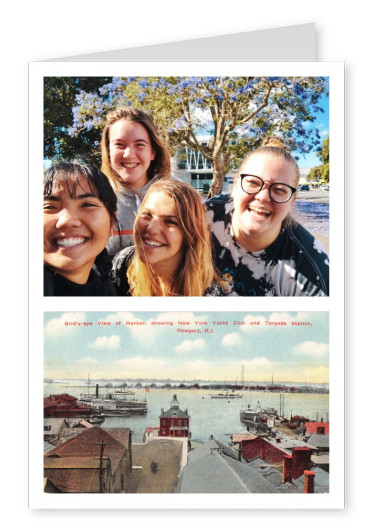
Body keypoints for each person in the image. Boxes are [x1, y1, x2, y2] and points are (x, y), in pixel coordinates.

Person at [206, 137, 329, 296]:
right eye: (253, 183)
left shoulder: (311, 274)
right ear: (235, 186)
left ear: (292, 201)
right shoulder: (202, 217)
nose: (263, 197)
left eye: (279, 189)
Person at [111, 180, 224, 296]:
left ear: (190, 234)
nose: (151, 229)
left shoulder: (209, 293)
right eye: (147, 215)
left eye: (170, 222)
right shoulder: (122, 264)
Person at [101, 106, 171, 257]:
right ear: (108, 151)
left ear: (152, 152)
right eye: (119, 144)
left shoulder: (176, 197)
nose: (129, 154)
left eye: (139, 144)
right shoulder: (96, 200)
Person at [44, 159, 119, 296]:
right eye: (50, 207)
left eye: (87, 205)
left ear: (112, 223)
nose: (67, 221)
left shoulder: (107, 292)